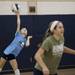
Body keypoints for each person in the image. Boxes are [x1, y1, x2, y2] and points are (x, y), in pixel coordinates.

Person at [0, 9, 32, 75]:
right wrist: (18, 15)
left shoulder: (25, 40)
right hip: (6, 51)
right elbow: (18, 23)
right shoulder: (17, 34)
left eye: (26, 30)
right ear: (20, 31)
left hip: (12, 55)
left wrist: (28, 38)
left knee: (16, 70)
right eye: (23, 29)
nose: (25, 29)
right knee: (0, 67)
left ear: (26, 33)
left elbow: (27, 45)